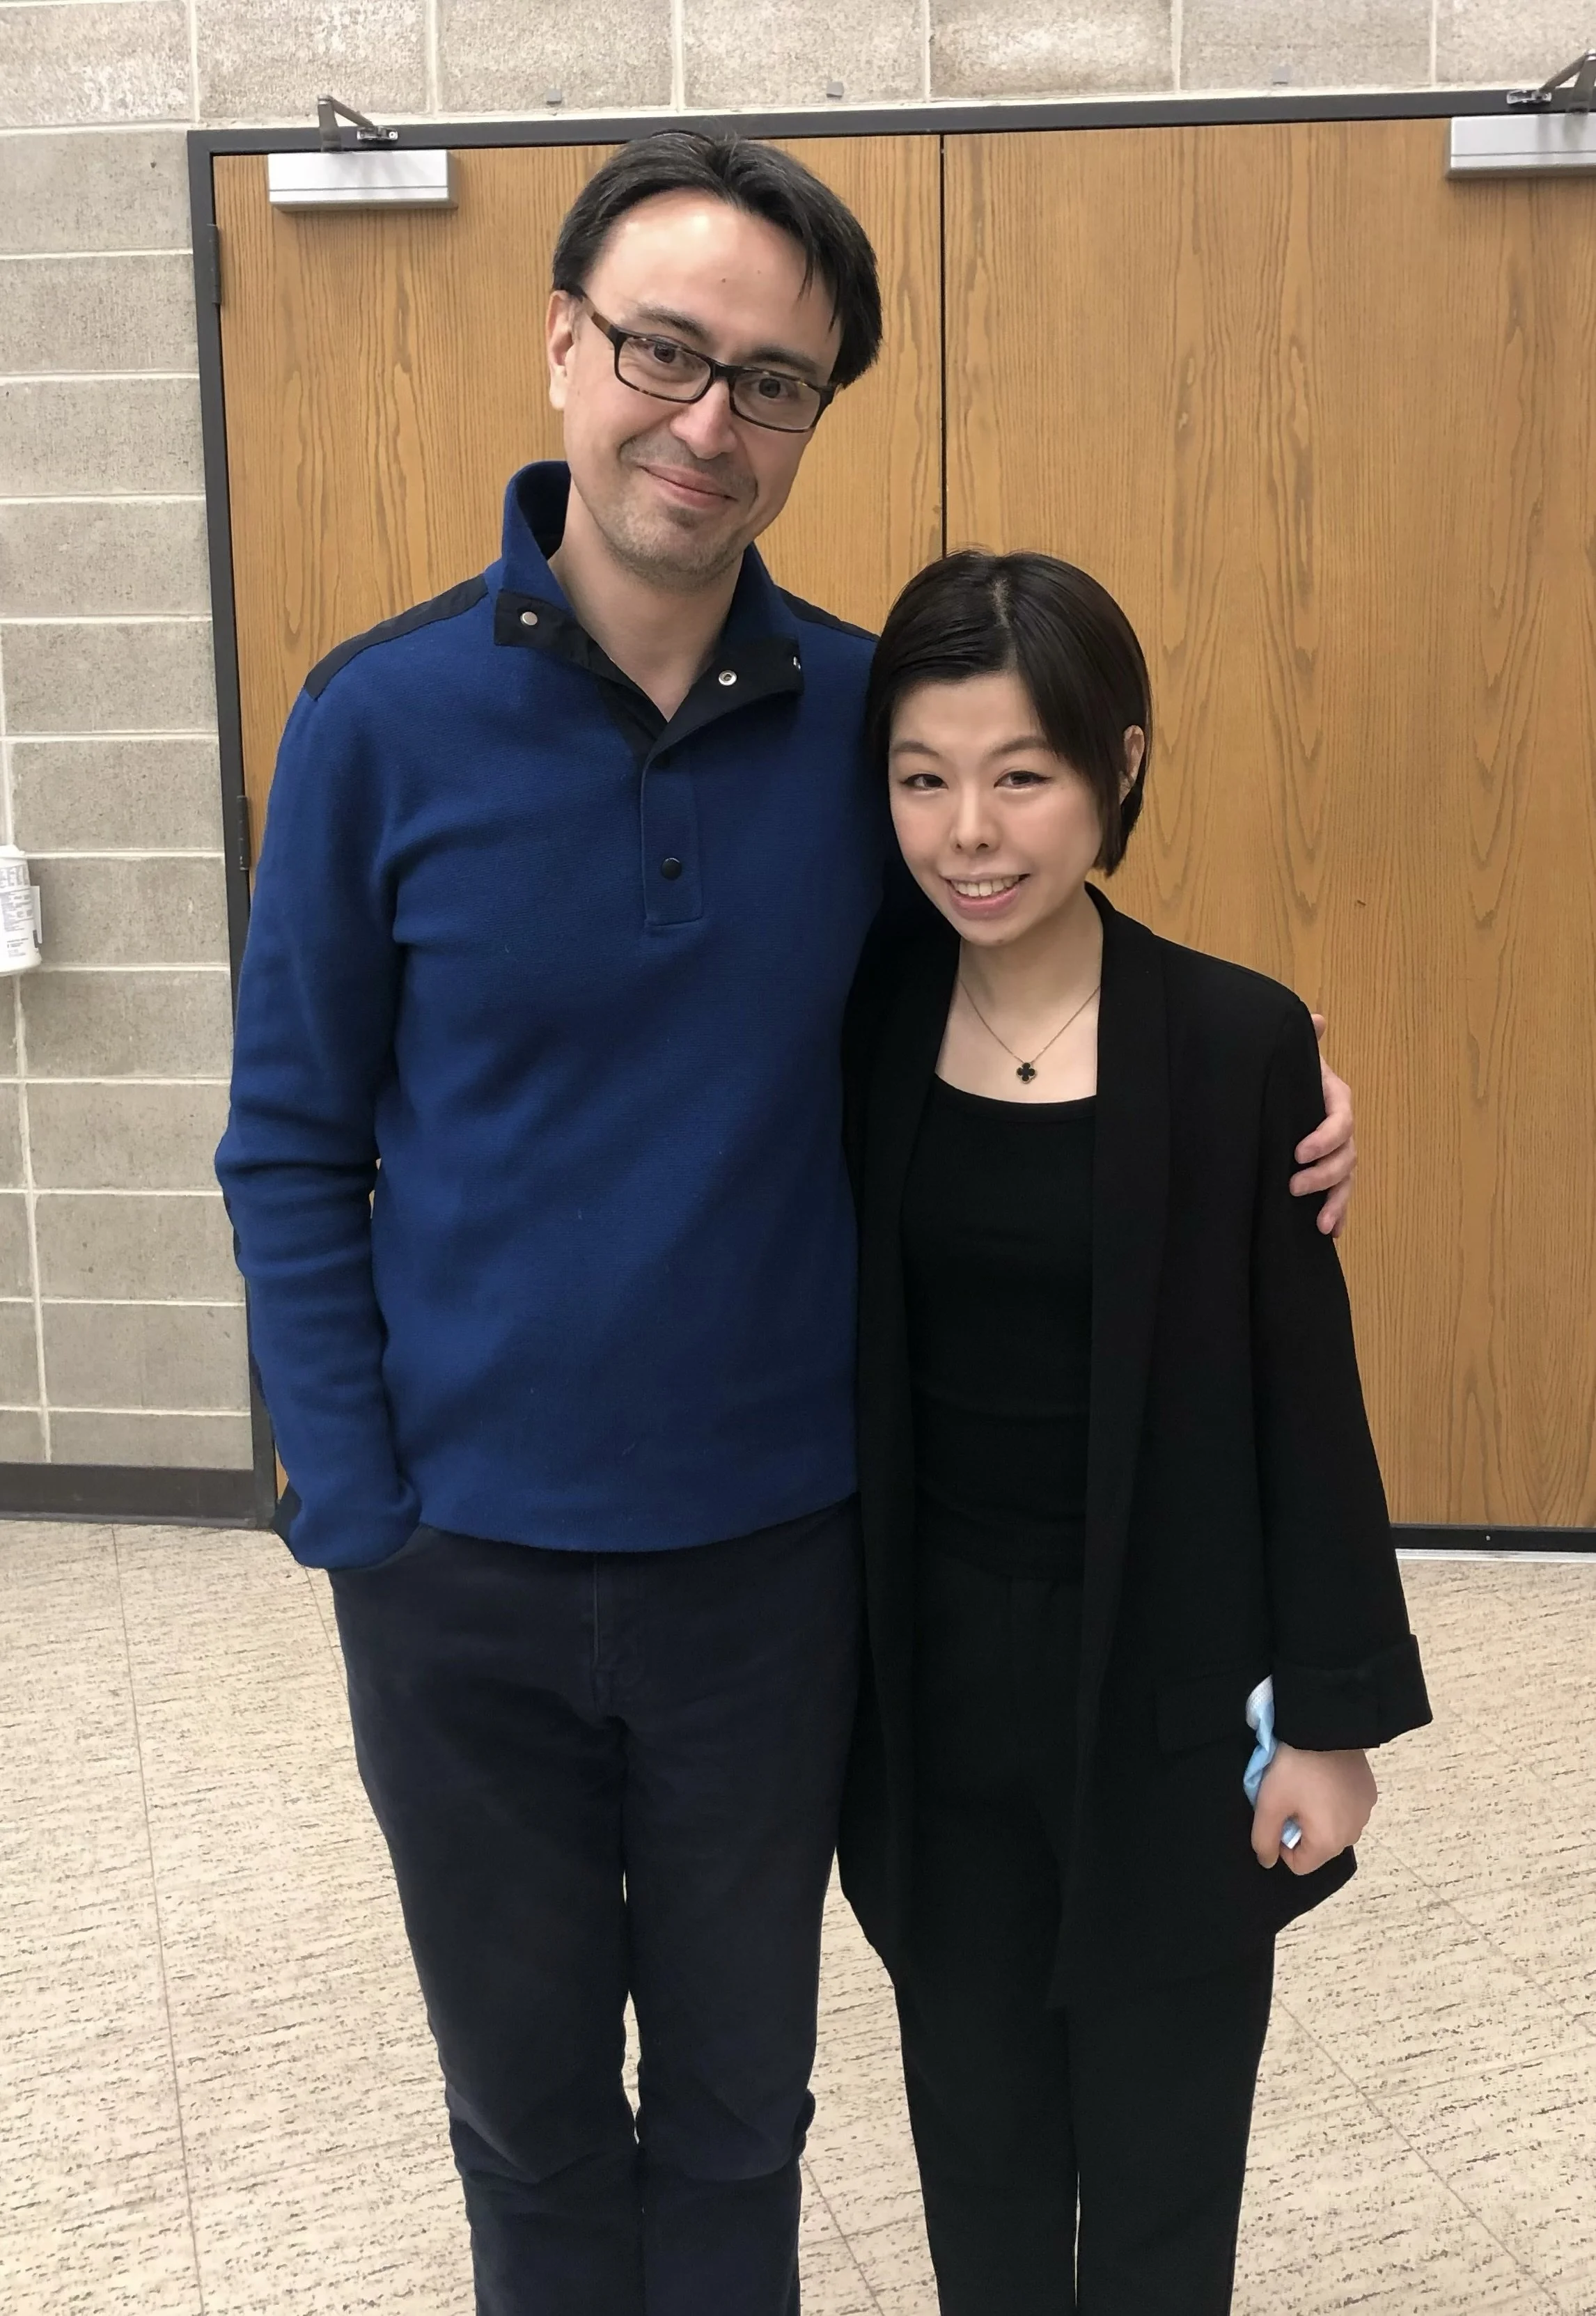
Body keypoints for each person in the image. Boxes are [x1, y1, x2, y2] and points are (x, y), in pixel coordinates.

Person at [215, 134, 1360, 2315]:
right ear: (563, 344)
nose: (707, 419)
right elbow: (289, 1143)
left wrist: (1265, 1079)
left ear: (813, 413)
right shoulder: (377, 721)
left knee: (744, 2112)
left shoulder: (859, 724)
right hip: (458, 1579)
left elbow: (1024, 959)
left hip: (775, 1569)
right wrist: (359, 1506)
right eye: (665, 350)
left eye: (772, 382)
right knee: (532, 2123)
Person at [836, 548, 1432, 2316]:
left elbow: (1305, 1395)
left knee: (1168, 2172)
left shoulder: (1234, 1041)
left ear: (1121, 765)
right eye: (923, 779)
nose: (971, 833)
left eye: (1021, 775)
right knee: (981, 2151)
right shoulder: (865, 1016)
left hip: (1172, 1678)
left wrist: (1332, 1717)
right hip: (933, 1685)